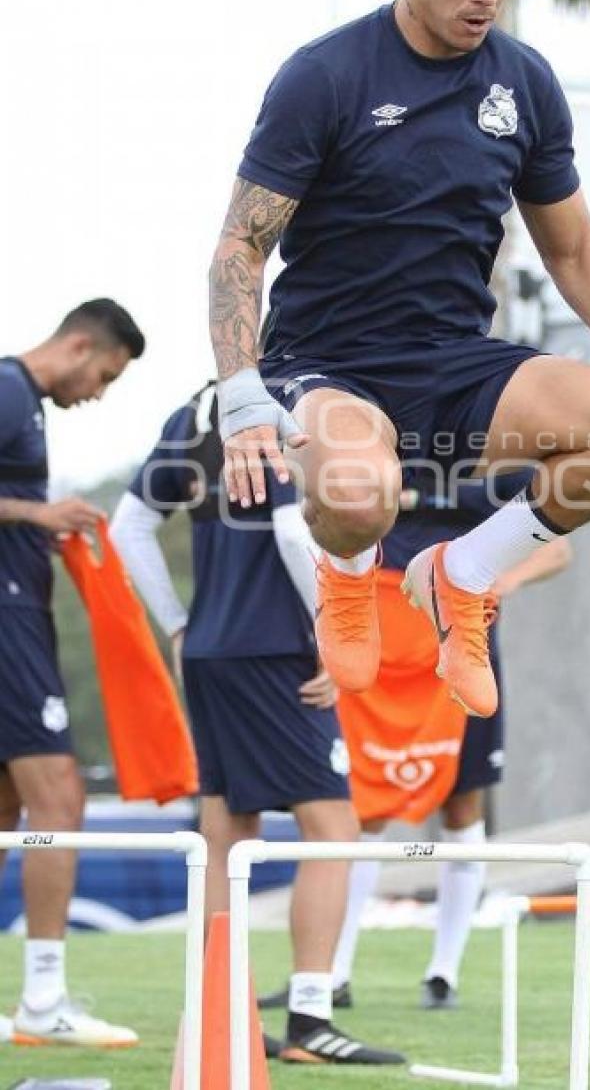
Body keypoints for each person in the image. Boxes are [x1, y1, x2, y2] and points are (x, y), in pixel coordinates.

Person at [208, 0, 590, 722]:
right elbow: (241, 242)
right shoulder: (326, 76)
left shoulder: (524, 82)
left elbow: (571, 248)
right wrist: (240, 392)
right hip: (328, 363)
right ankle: (350, 573)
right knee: (358, 491)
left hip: (457, 364)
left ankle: (461, 575)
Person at [110, 381, 404, 1066]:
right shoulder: (284, 405)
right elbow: (289, 525)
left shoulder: (192, 410)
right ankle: (311, 1017)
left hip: (211, 648)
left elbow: (127, 525)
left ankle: (222, 1009)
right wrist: (334, 629)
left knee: (223, 831)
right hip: (275, 648)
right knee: (333, 827)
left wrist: (180, 624)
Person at [260, 469, 571, 1015]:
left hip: (460, 638)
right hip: (384, 631)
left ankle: (443, 973)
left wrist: (503, 580)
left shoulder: (500, 457)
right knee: (366, 806)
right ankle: (334, 971)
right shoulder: (381, 442)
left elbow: (558, 547)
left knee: (464, 801)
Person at [0, 298, 145, 1047]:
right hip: (7, 623)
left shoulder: (26, 406)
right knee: (58, 799)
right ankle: (45, 1000)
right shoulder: (9, 390)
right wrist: (37, 516)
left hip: (19, 613)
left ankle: (36, 997)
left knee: (4, 816)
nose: (98, 392)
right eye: (106, 376)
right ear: (81, 344)